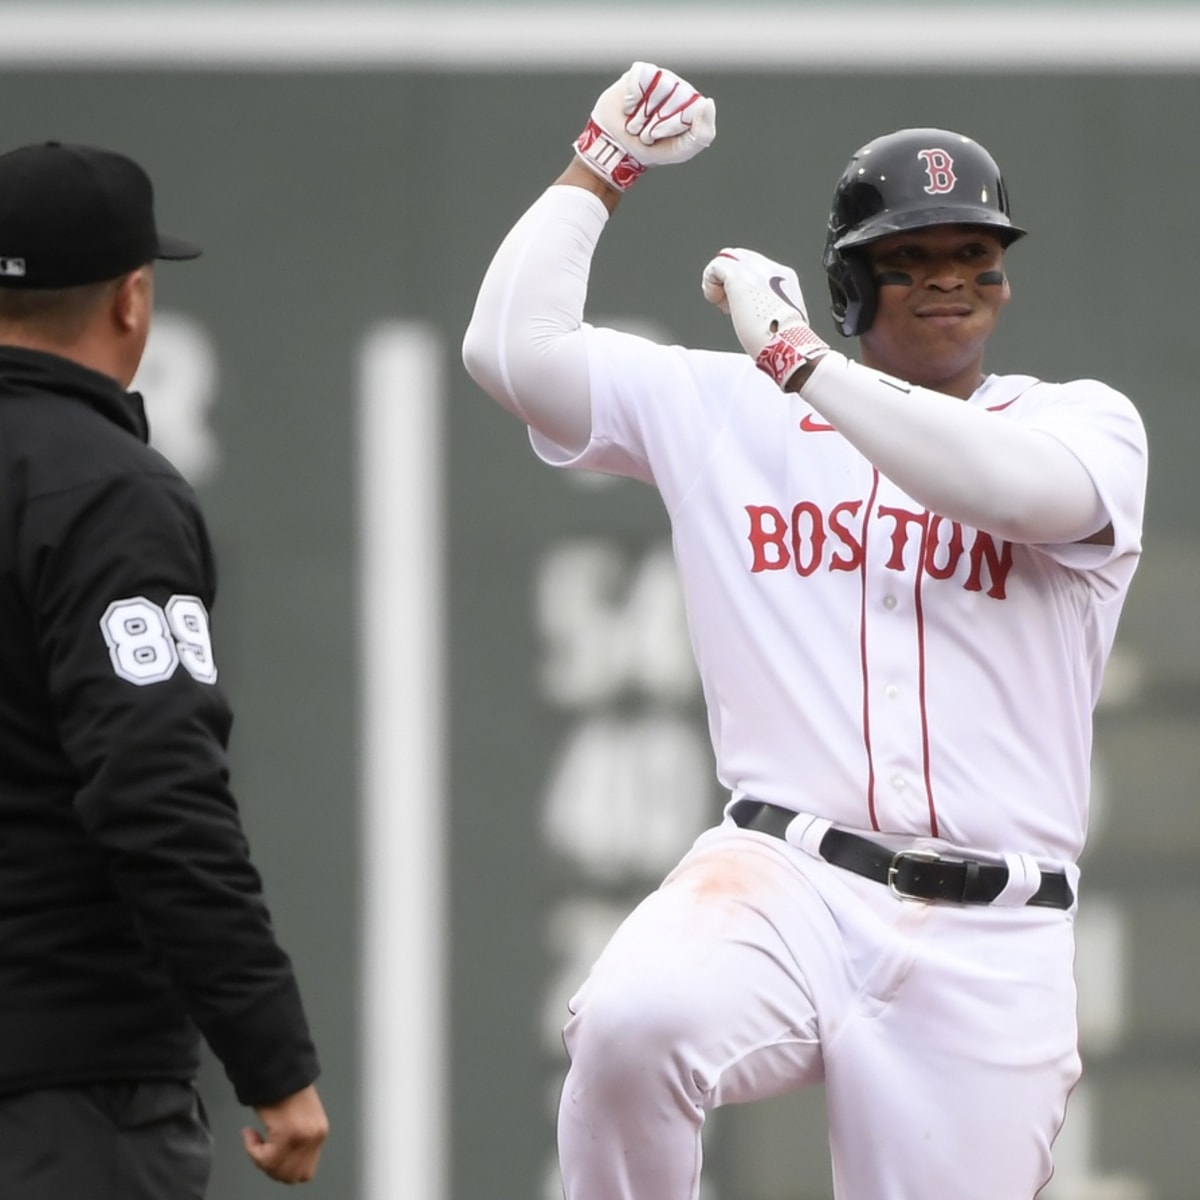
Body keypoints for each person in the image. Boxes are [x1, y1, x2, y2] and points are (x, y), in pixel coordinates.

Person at [463, 63, 1148, 1200]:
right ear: (848, 282)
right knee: (635, 1021)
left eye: (973, 253)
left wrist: (800, 361)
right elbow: (510, 353)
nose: (949, 278)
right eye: (908, 257)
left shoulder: (1082, 423)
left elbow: (1005, 490)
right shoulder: (728, 408)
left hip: (994, 937)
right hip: (786, 875)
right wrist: (598, 168)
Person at [0, 140, 328, 1198]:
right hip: (61, 1095)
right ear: (131, 299)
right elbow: (155, 793)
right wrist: (273, 1061)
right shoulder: (105, 492)